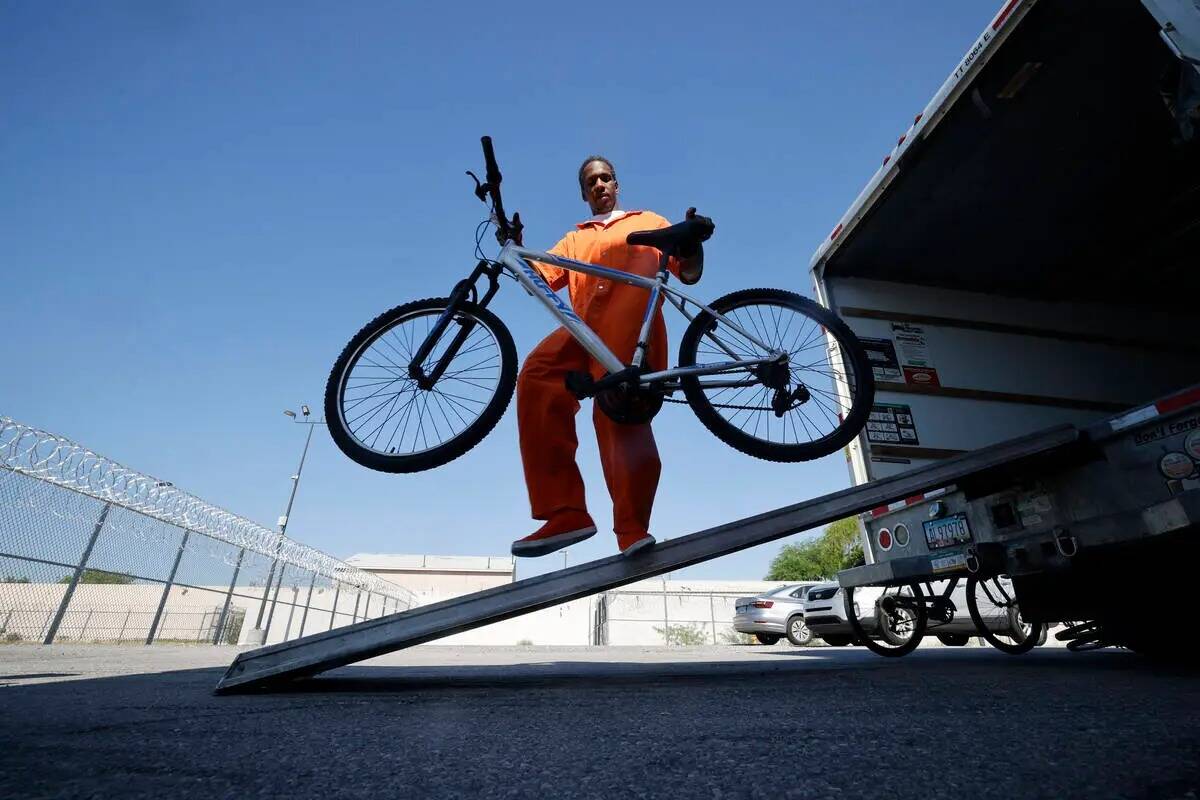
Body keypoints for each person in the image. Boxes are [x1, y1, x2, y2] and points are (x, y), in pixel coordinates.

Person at [511, 155, 707, 559]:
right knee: (536, 375)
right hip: (582, 330)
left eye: (606, 178)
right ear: (584, 194)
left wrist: (691, 244)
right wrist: (514, 246)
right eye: (591, 181)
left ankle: (631, 529)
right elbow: (538, 280)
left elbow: (688, 273)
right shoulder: (573, 239)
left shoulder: (649, 220)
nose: (599, 184)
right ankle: (566, 513)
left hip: (629, 328)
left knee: (618, 412)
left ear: (616, 185)